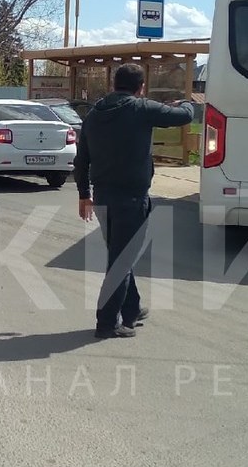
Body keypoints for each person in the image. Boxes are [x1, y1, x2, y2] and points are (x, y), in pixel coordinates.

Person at [74, 63, 195, 339]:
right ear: (140, 88)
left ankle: (132, 309)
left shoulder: (94, 114)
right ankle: (106, 323)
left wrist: (84, 194)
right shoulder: (141, 109)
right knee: (121, 260)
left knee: (120, 255)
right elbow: (184, 116)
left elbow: (81, 160)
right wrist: (185, 102)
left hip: (103, 197)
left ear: (114, 84)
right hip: (131, 199)